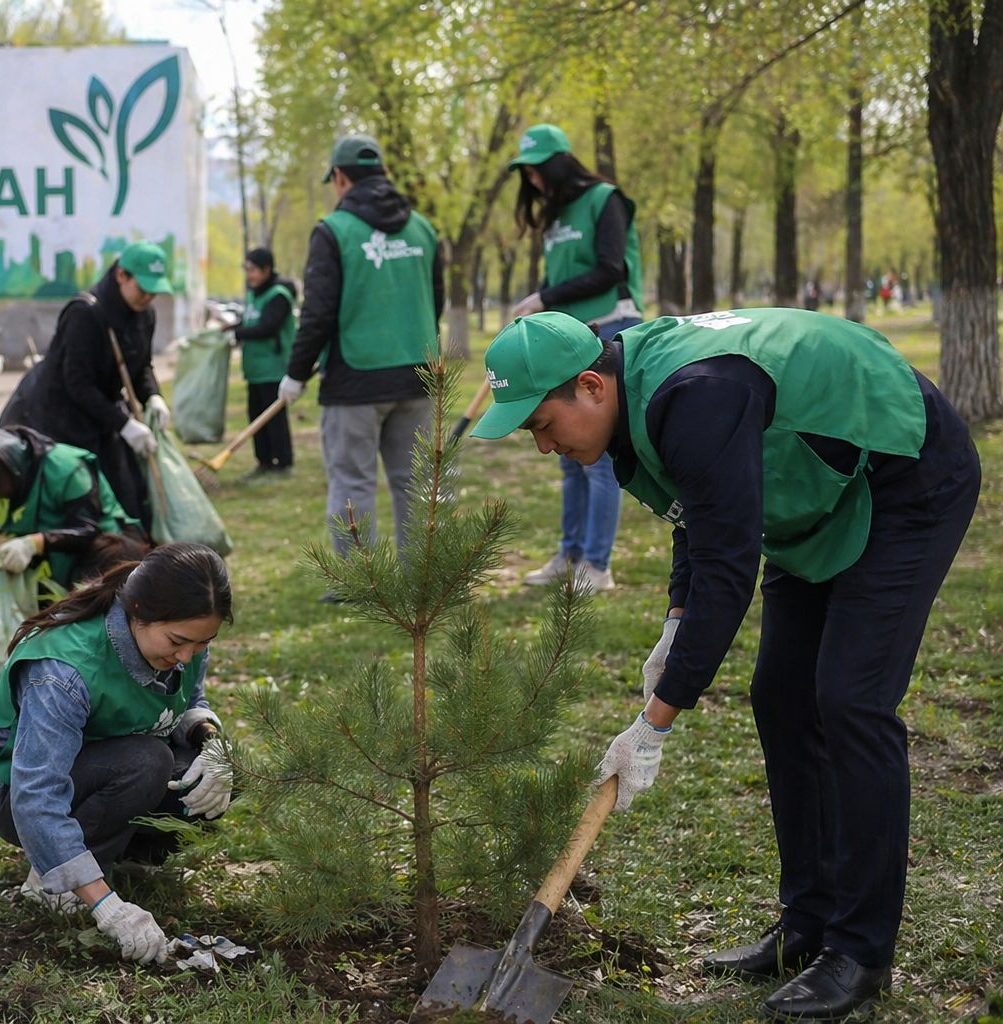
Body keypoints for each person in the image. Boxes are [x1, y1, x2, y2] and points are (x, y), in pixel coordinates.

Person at [471, 308, 980, 1021]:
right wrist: (676, 626)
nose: (541, 446)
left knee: (851, 701)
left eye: (541, 425)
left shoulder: (696, 393)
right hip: (811, 497)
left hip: (902, 476)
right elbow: (698, 514)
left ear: (590, 385)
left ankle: (861, 952)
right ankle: (809, 919)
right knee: (780, 696)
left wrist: (655, 721)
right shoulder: (633, 397)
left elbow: (730, 566)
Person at [0, 543, 234, 964]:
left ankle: (118, 856)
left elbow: (189, 699)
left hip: (97, 765)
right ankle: (60, 881)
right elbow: (36, 795)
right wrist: (107, 908)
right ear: (138, 611)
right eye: (178, 642)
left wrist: (211, 743)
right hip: (11, 788)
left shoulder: (185, 637)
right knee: (148, 762)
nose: (185, 657)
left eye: (200, 644)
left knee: (219, 770)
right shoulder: (63, 671)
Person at [278, 133, 443, 601]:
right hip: (417, 372)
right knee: (415, 485)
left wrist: (296, 372)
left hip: (355, 380)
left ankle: (360, 583)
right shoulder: (424, 230)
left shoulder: (333, 231)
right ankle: (423, 579)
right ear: (384, 174)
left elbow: (318, 312)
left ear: (341, 177)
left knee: (353, 482)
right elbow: (438, 299)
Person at [506, 123, 645, 594]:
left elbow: (611, 268)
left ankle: (596, 565)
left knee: (598, 454)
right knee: (565, 448)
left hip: (608, 326)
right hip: (568, 336)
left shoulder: (605, 199)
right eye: (527, 174)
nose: (534, 181)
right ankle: (569, 554)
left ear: (559, 162)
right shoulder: (555, 215)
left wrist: (545, 295)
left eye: (538, 170)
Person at [0, 241, 175, 530]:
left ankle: (125, 562)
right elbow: (77, 383)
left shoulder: (145, 314)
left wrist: (153, 396)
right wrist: (124, 424)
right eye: (143, 289)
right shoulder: (85, 313)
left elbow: (141, 365)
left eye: (154, 291)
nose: (148, 297)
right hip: (58, 417)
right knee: (77, 501)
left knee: (127, 497)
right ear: (121, 275)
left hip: (100, 415)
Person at [0, 425, 149, 602]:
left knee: (92, 599)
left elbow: (86, 528)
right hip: (43, 562)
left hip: (102, 551)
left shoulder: (64, 468)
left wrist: (34, 543)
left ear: (15, 472)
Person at [222, 247, 297, 476]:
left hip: (273, 368)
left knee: (274, 418)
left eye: (253, 270)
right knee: (255, 417)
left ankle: (283, 463)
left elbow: (267, 327)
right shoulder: (255, 295)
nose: (249, 275)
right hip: (255, 369)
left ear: (267, 270)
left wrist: (237, 334)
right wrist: (229, 329)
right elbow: (249, 323)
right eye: (247, 269)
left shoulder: (278, 296)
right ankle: (263, 461)